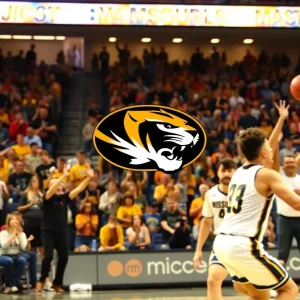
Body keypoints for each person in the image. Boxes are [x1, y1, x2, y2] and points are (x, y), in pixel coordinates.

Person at [213, 101, 299, 300]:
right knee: (289, 290)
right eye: (267, 148)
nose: (271, 149)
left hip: (223, 244)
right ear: (262, 153)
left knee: (260, 296)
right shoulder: (267, 175)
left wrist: (281, 119)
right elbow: (296, 204)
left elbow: (270, 143)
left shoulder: (240, 170)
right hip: (243, 246)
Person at [36, 164, 94, 293]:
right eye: (56, 184)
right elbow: (51, 190)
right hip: (48, 231)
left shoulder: (64, 198)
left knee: (64, 257)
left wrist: (88, 178)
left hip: (61, 232)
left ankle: (57, 283)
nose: (59, 186)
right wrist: (63, 176)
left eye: (61, 185)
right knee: (48, 256)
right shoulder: (47, 197)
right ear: (51, 186)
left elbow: (79, 188)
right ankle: (41, 280)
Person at [193, 158, 237, 300]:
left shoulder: (245, 191)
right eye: (223, 170)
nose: (226, 174)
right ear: (217, 173)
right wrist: (198, 249)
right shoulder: (211, 194)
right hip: (222, 242)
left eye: (230, 171)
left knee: (243, 286)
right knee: (212, 280)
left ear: (236, 172)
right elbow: (206, 222)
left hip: (243, 241)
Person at [276, 154, 300, 265]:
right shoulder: (279, 177)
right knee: (282, 255)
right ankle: (279, 281)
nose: (290, 164)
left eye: (292, 162)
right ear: (283, 166)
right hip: (284, 220)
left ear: (296, 164)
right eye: (287, 162)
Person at [0, 213, 27, 294]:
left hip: (16, 255)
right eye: (13, 219)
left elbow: (23, 248)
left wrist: (28, 242)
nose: (15, 221)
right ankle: (9, 285)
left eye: (16, 219)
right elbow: (4, 246)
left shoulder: (21, 234)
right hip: (4, 255)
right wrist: (13, 234)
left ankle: (12, 285)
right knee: (9, 261)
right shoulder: (3, 233)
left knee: (22, 260)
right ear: (8, 222)